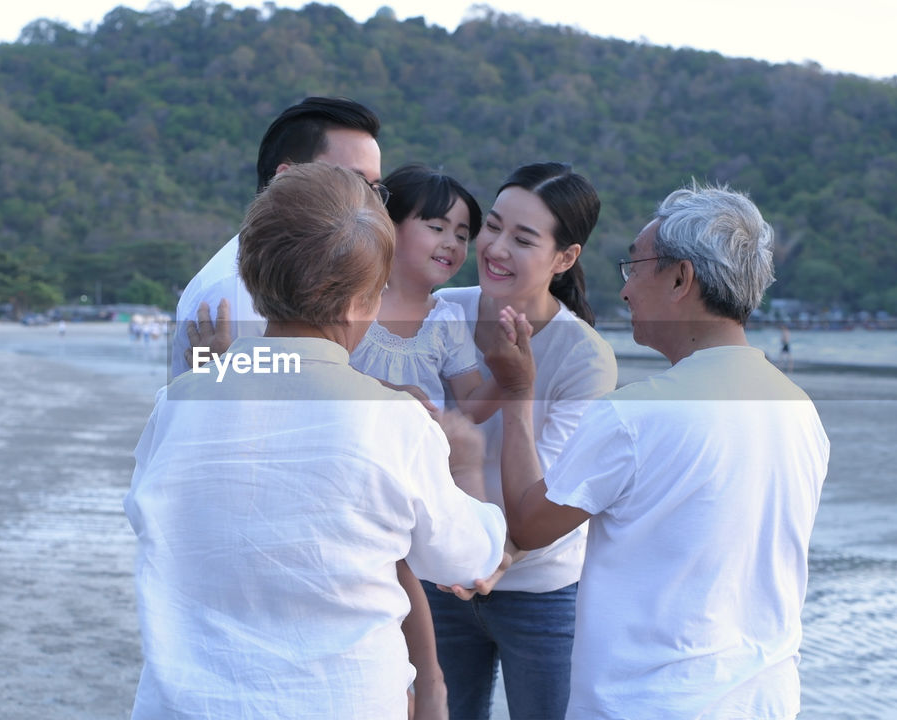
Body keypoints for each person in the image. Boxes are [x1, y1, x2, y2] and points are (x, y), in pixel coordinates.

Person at [124, 163, 508, 719]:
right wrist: (467, 462)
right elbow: (466, 563)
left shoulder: (177, 403)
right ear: (361, 303)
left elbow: (157, 521)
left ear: (253, 279)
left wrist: (213, 373)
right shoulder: (393, 421)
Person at [491, 183, 831, 719]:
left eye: (635, 268)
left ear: (680, 278)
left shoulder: (635, 416)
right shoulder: (800, 411)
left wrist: (515, 395)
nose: (625, 291)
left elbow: (530, 528)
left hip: (645, 703)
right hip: (764, 700)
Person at [427, 163, 618, 719]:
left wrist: (503, 553)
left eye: (523, 238)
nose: (496, 247)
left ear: (565, 259)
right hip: (439, 577)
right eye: (492, 227)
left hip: (541, 592)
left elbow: (554, 493)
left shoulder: (584, 357)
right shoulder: (441, 313)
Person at [169, 96, 383, 380]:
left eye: (375, 187)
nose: (369, 201)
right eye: (353, 180)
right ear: (285, 178)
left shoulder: (310, 273)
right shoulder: (232, 292)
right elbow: (271, 409)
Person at [349, 163, 501, 421]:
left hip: (417, 456)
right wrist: (390, 393)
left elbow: (470, 406)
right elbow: (321, 371)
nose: (451, 244)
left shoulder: (446, 321)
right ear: (388, 225)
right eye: (437, 228)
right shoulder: (349, 299)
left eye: (462, 237)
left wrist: (508, 377)